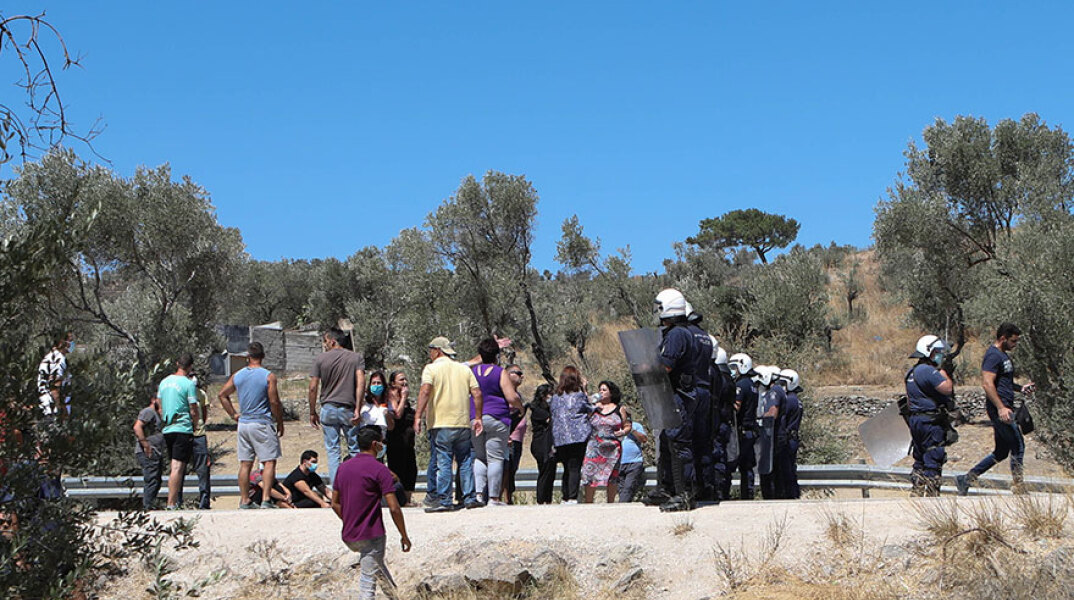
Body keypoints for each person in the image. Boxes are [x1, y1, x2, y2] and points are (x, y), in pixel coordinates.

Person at [332, 426, 412, 600]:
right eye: (382, 442)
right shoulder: (379, 469)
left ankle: (395, 596)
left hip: (349, 535)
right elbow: (394, 507)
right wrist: (404, 535)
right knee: (367, 587)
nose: (383, 446)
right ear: (375, 444)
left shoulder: (343, 468)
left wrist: (350, 519)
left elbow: (334, 503)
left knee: (376, 566)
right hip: (371, 534)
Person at [958, 323, 1035, 496]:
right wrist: (1001, 407)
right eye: (1013, 341)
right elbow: (987, 383)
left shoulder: (1003, 355)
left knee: (1001, 452)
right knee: (1018, 445)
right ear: (1003, 338)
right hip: (999, 409)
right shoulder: (993, 356)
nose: (1015, 344)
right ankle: (1019, 486)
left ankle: (966, 479)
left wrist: (1021, 388)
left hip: (1005, 406)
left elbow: (1003, 382)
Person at [413, 336, 484, 512]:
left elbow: (425, 391)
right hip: (462, 422)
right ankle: (469, 497)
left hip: (440, 422)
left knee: (443, 461)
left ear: (438, 350)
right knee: (465, 460)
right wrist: (479, 417)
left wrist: (418, 416)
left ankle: (444, 499)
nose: (430, 353)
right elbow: (477, 393)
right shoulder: (463, 370)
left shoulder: (431, 369)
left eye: (431, 349)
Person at [649, 288, 701, 512]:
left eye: (660, 307)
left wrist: (647, 367)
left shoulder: (678, 334)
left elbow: (666, 365)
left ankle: (685, 494)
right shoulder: (680, 332)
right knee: (670, 441)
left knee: (679, 444)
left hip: (679, 396)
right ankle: (669, 489)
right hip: (674, 396)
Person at [218, 342, 285, 509]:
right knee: (269, 461)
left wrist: (234, 414)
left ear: (248, 357)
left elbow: (222, 395)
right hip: (261, 422)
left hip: (244, 423)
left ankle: (244, 499)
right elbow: (274, 401)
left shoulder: (237, 375)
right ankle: (266, 499)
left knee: (245, 463)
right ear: (262, 356)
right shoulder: (268, 376)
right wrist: (280, 421)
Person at [466, 339, 523, 506]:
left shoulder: (472, 372)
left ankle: (477, 495)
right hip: (497, 417)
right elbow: (511, 396)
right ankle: (493, 498)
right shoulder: (500, 372)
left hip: (475, 417)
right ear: (497, 356)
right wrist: (520, 408)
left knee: (480, 457)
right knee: (495, 457)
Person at [308, 327, 367, 488]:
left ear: (332, 341)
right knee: (354, 449)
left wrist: (312, 411)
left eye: (326, 341)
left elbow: (313, 387)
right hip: (348, 408)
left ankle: (337, 489)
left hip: (328, 407)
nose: (325, 345)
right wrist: (358, 408)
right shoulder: (356, 358)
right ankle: (357, 486)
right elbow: (361, 383)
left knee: (333, 451)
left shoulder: (320, 359)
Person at [904, 335, 956, 497]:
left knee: (920, 458)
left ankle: (917, 492)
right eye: (938, 352)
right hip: (930, 422)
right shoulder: (928, 371)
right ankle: (932, 497)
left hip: (916, 421)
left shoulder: (911, 372)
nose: (940, 355)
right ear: (929, 352)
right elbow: (947, 389)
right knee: (934, 457)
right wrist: (944, 373)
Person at [158, 354, 200, 510]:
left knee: (173, 464)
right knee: (177, 467)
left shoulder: (164, 382)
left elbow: (159, 404)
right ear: (190, 367)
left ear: (177, 363)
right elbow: (193, 408)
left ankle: (173, 500)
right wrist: (195, 424)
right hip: (182, 427)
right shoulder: (188, 384)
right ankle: (171, 502)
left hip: (168, 427)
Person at [579, 381, 631, 503]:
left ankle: (611, 502)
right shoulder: (594, 407)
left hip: (612, 448)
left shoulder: (620, 409)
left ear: (611, 392)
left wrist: (623, 432)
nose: (601, 392)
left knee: (612, 476)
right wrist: (585, 389)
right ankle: (589, 502)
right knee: (589, 474)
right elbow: (583, 405)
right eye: (600, 390)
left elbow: (628, 425)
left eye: (604, 390)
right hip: (593, 447)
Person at [684, 308, 716, 502]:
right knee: (702, 443)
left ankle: (689, 488)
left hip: (690, 390)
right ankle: (706, 486)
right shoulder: (705, 337)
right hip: (705, 390)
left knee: (684, 442)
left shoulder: (684, 334)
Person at [550, 366, 592, 504]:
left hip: (560, 437)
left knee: (567, 467)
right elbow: (590, 408)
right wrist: (585, 389)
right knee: (575, 467)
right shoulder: (579, 396)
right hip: (577, 436)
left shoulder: (555, 398)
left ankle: (565, 496)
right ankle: (572, 497)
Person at [726, 352, 759, 500]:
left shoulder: (740, 385)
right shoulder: (753, 385)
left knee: (731, 463)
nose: (733, 370)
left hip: (741, 432)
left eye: (735, 367)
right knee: (747, 467)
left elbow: (736, 407)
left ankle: (725, 493)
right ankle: (748, 496)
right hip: (751, 431)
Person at [752, 366, 785, 500]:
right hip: (774, 437)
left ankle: (773, 497)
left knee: (772, 470)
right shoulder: (774, 391)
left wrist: (759, 418)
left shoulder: (774, 392)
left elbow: (772, 413)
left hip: (774, 437)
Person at [385, 371, 418, 505]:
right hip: (396, 443)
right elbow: (397, 414)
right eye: (401, 380)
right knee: (398, 470)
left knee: (411, 470)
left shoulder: (407, 401)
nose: (404, 382)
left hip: (408, 443)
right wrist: (403, 397)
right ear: (393, 383)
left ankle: (408, 500)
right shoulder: (391, 397)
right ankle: (400, 500)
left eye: (405, 379)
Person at [711, 343, 735, 501]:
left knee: (717, 456)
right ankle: (723, 489)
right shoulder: (729, 379)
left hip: (717, 423)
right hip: (725, 422)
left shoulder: (718, 379)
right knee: (723, 457)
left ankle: (718, 490)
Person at [133, 395, 165, 511]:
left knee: (156, 480)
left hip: (155, 451)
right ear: (153, 399)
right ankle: (147, 507)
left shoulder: (156, 413)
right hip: (148, 452)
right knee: (151, 479)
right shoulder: (148, 412)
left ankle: (150, 505)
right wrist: (146, 445)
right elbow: (137, 427)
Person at [775, 369, 803, 499]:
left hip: (788, 439)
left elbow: (782, 419)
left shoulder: (790, 400)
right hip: (793, 437)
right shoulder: (796, 399)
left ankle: (789, 495)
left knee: (785, 469)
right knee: (790, 468)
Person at [527, 384, 556, 504]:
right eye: (550, 394)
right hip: (541, 444)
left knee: (551, 472)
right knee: (544, 471)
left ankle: (547, 500)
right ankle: (541, 500)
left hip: (549, 443)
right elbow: (551, 419)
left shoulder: (547, 409)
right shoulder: (537, 410)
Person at [186, 376, 212, 509]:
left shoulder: (201, 394)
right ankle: (176, 500)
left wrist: (199, 424)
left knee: (203, 469)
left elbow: (204, 411)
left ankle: (204, 502)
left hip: (199, 434)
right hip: (184, 432)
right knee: (180, 467)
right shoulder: (182, 391)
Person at [617, 414, 649, 503]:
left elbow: (644, 439)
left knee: (628, 487)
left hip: (634, 462)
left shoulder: (636, 426)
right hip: (618, 463)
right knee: (621, 489)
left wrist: (631, 430)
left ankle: (621, 507)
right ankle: (624, 508)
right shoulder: (614, 426)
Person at [358, 370, 395, 442]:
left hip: (380, 443)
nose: (376, 385)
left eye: (378, 383)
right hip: (365, 442)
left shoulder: (388, 403)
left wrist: (387, 415)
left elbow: (391, 427)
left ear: (383, 385)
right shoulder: (364, 402)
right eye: (373, 383)